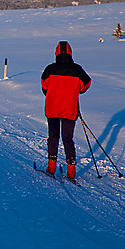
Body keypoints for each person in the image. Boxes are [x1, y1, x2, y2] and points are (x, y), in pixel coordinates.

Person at [41, 41, 91, 180]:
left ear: (56, 53)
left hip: (52, 108)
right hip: (70, 109)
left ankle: (51, 167)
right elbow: (85, 85)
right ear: (70, 53)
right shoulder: (77, 69)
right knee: (68, 139)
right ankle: (71, 171)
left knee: (53, 136)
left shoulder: (50, 69)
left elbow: (44, 86)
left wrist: (51, 95)